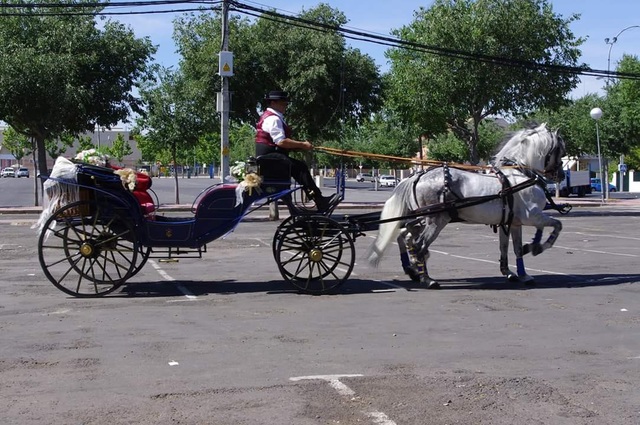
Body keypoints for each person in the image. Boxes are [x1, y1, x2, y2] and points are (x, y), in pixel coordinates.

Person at [255, 90, 338, 212]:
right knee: (301, 168)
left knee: (299, 166)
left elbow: (279, 143)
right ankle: (319, 201)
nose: (285, 106)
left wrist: (300, 147)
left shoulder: (272, 117)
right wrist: (303, 145)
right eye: (283, 103)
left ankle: (314, 200)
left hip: (271, 157)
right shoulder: (273, 119)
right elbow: (281, 142)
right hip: (270, 159)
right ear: (273, 102)